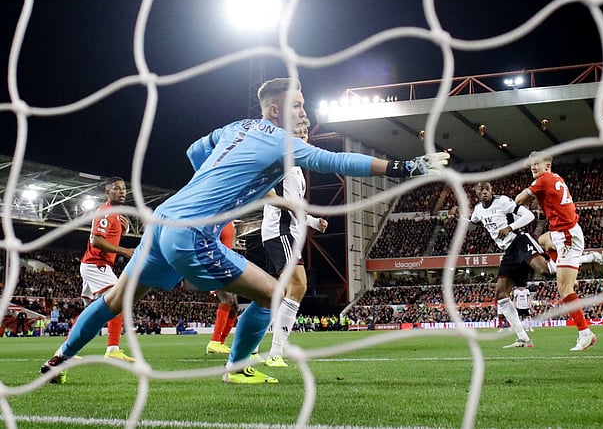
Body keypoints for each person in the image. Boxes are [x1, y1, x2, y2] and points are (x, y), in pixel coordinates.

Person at [39, 77, 449, 385]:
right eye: (298, 106)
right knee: (275, 293)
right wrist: (406, 167)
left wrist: (219, 183)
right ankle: (238, 368)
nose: (305, 114)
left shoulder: (234, 128)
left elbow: (195, 151)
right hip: (192, 232)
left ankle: (57, 359)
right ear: (274, 111)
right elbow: (335, 162)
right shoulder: (284, 143)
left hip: (165, 217)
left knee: (115, 299)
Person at [514, 151, 603, 352]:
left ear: (547, 166)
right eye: (531, 164)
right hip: (560, 233)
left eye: (537, 164)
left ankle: (585, 333)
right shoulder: (556, 177)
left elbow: (518, 200)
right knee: (543, 240)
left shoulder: (544, 179)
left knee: (565, 289)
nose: (533, 167)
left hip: (566, 234)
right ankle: (587, 258)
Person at [263, 118, 330, 367]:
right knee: (299, 285)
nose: (304, 135)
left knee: (278, 291)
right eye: (298, 131)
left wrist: (312, 222)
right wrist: (311, 223)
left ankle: (263, 347)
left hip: (286, 231)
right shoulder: (288, 166)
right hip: (279, 230)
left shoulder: (296, 168)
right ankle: (275, 352)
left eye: (305, 132)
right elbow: (289, 207)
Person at [459, 181, 554, 348]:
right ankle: (523, 338)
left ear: (491, 190)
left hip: (519, 241)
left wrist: (510, 227)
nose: (485, 192)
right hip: (508, 252)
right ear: (476, 193)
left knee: (545, 271)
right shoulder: (478, 210)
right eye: (481, 190)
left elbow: (529, 216)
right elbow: (472, 227)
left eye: (487, 189)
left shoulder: (503, 201)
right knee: (501, 293)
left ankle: (583, 259)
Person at [78, 176, 136, 361]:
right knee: (119, 299)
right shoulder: (105, 211)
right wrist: (123, 250)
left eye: (124, 188)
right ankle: (112, 348)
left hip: (95, 265)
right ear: (107, 191)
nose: (122, 191)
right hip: (97, 264)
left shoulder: (115, 214)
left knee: (89, 314)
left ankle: (66, 351)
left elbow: (107, 235)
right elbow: (96, 241)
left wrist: (122, 231)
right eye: (117, 188)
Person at [205, 221, 239, 355]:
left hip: (228, 263)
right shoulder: (216, 220)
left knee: (234, 306)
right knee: (227, 300)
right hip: (217, 264)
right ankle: (214, 342)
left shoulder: (230, 221)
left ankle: (221, 342)